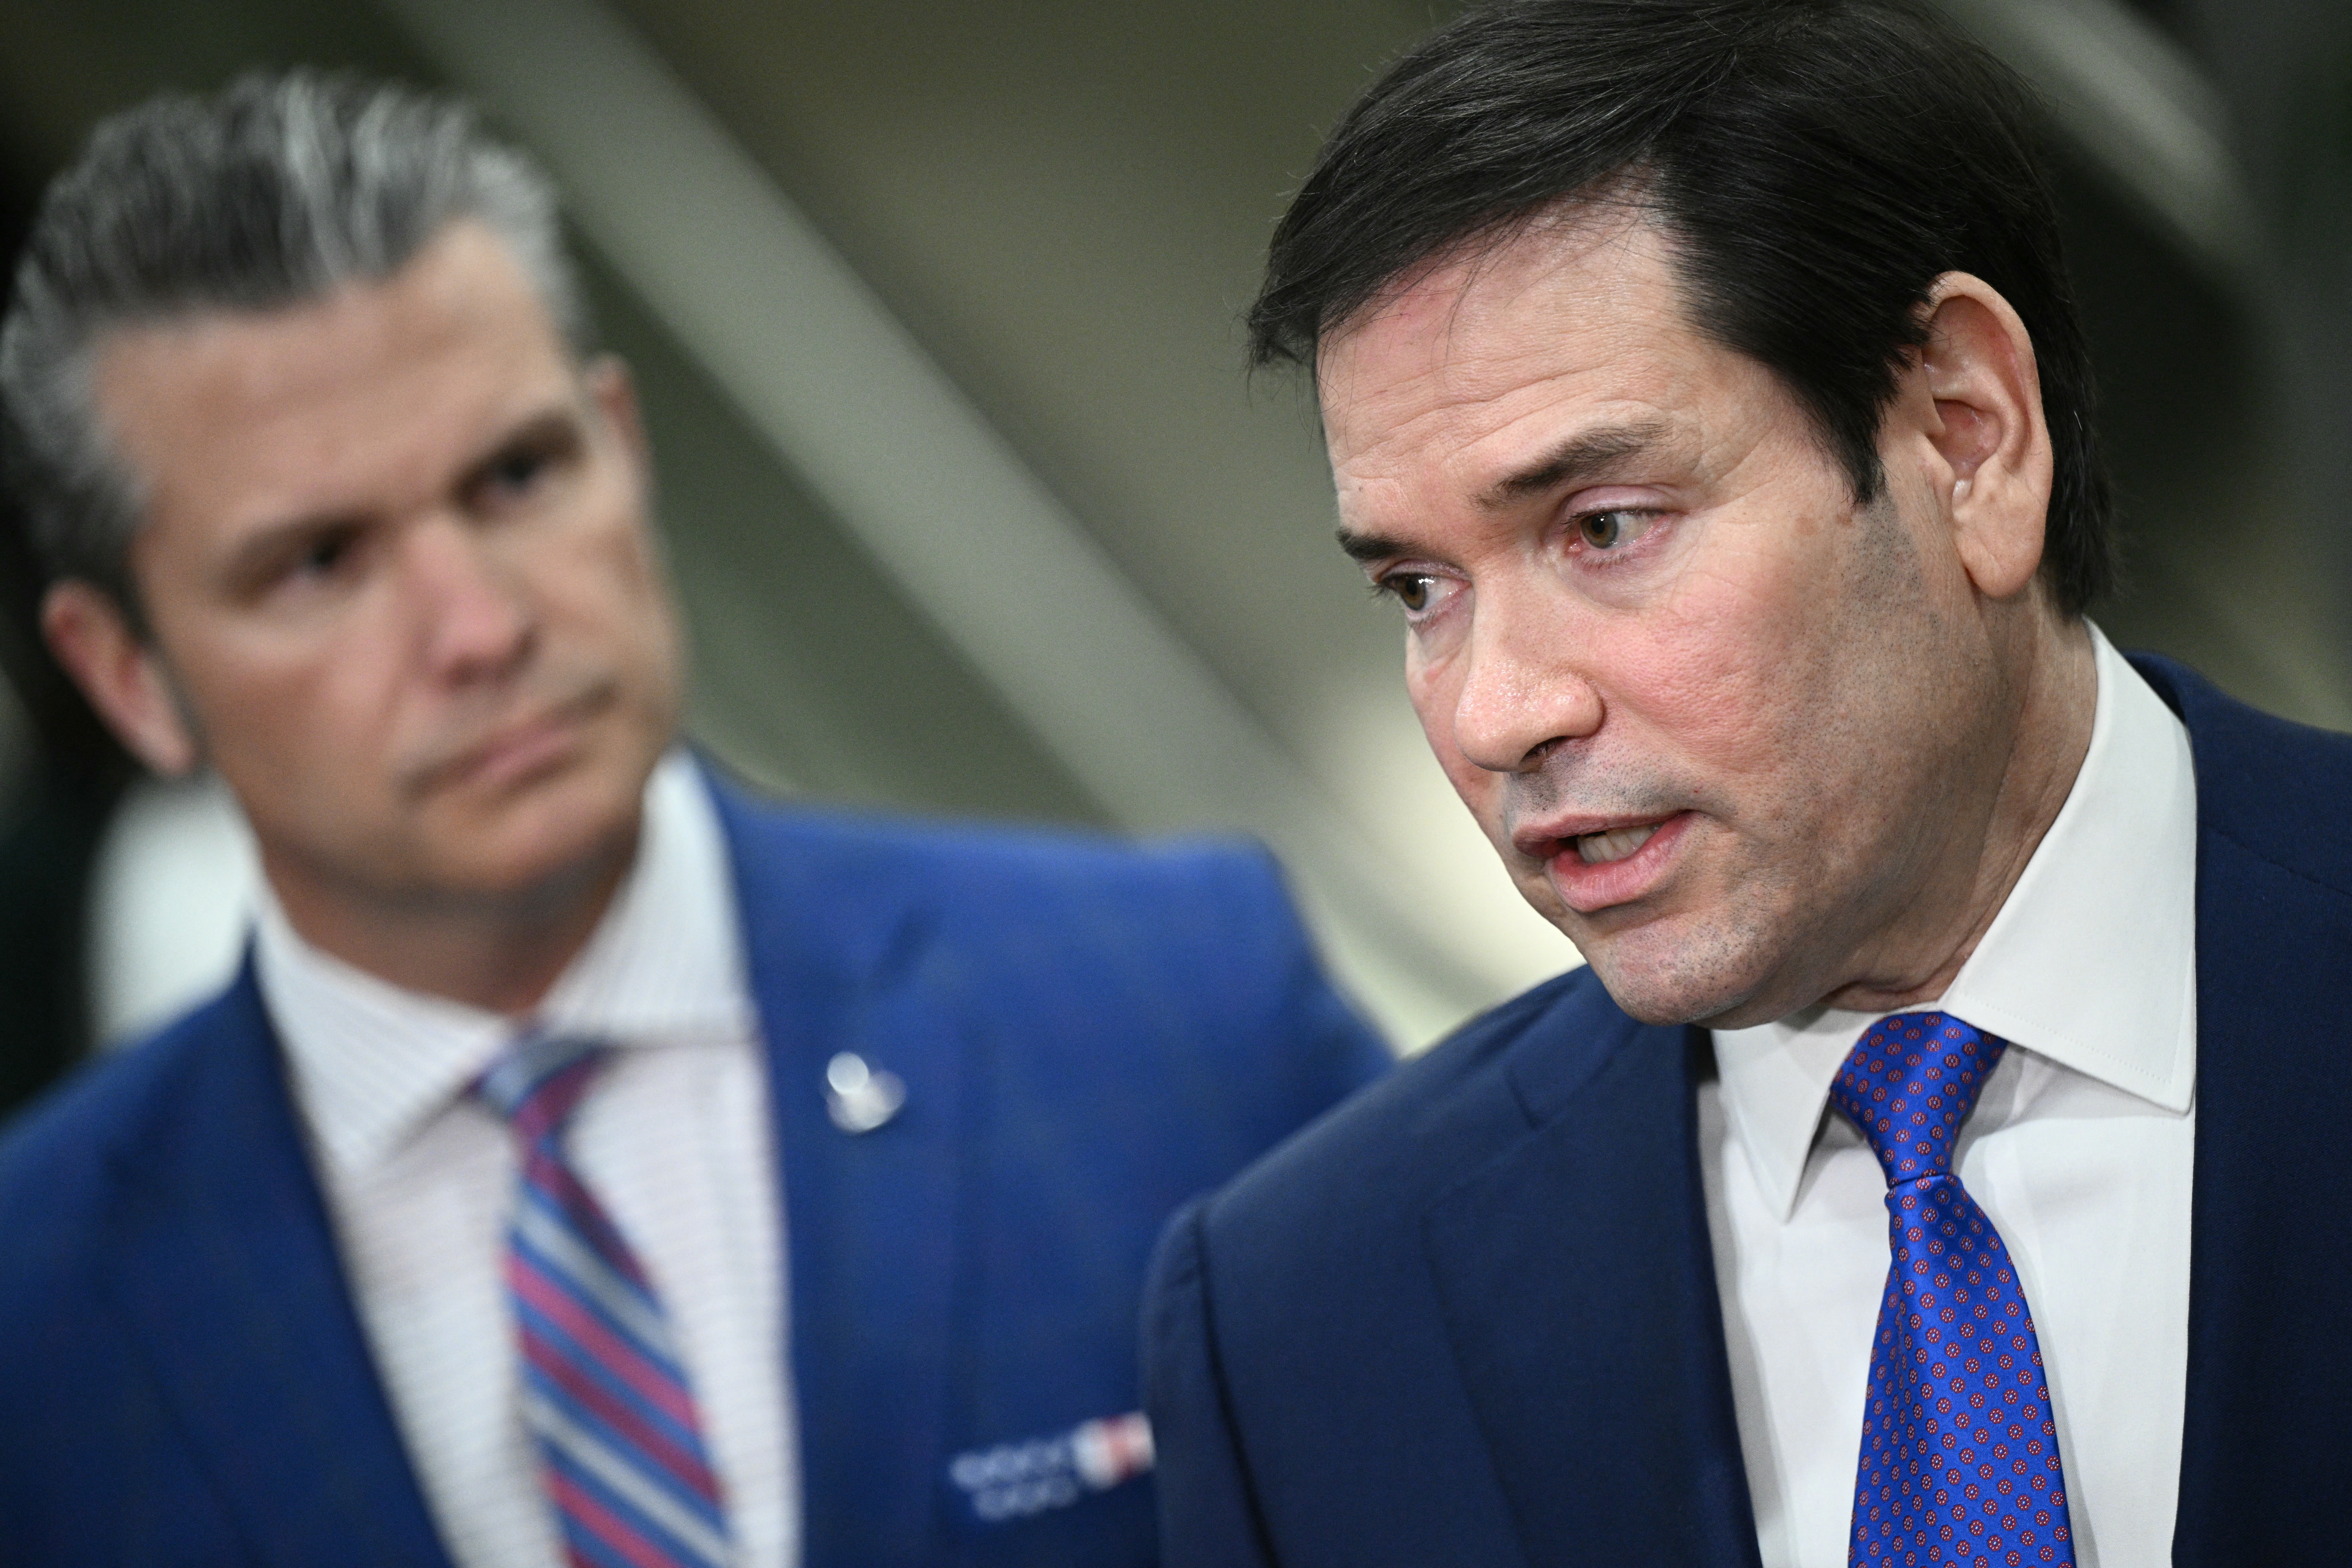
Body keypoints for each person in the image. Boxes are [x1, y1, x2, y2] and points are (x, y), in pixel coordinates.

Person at [0, 73, 1389, 1568]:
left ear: (624, 445)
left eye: (519, 475)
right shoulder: (35, 1315)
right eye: (320, 563)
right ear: (128, 676)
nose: (478, 626)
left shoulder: (1180, 1009)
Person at [1142, 2, 2351, 1565]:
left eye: (1605, 528)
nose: (1500, 711)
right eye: (1420, 591)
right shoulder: (1308, 1323)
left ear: (1966, 441)